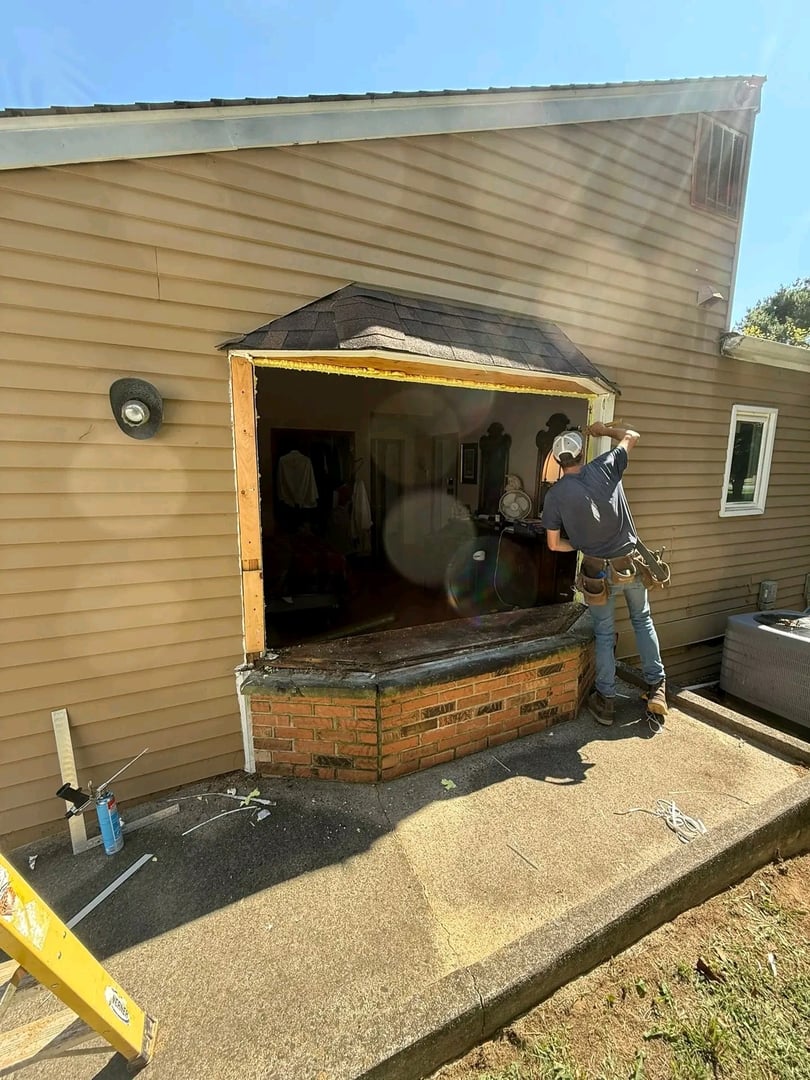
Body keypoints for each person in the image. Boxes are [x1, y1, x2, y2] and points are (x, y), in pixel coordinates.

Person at [541, 421, 667, 726]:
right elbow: (632, 435)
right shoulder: (606, 465)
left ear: (558, 461)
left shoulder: (555, 495)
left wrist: (582, 545)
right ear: (582, 453)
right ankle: (657, 689)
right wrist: (602, 429)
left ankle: (607, 701)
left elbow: (554, 545)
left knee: (603, 633)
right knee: (642, 620)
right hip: (630, 565)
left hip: (595, 571)